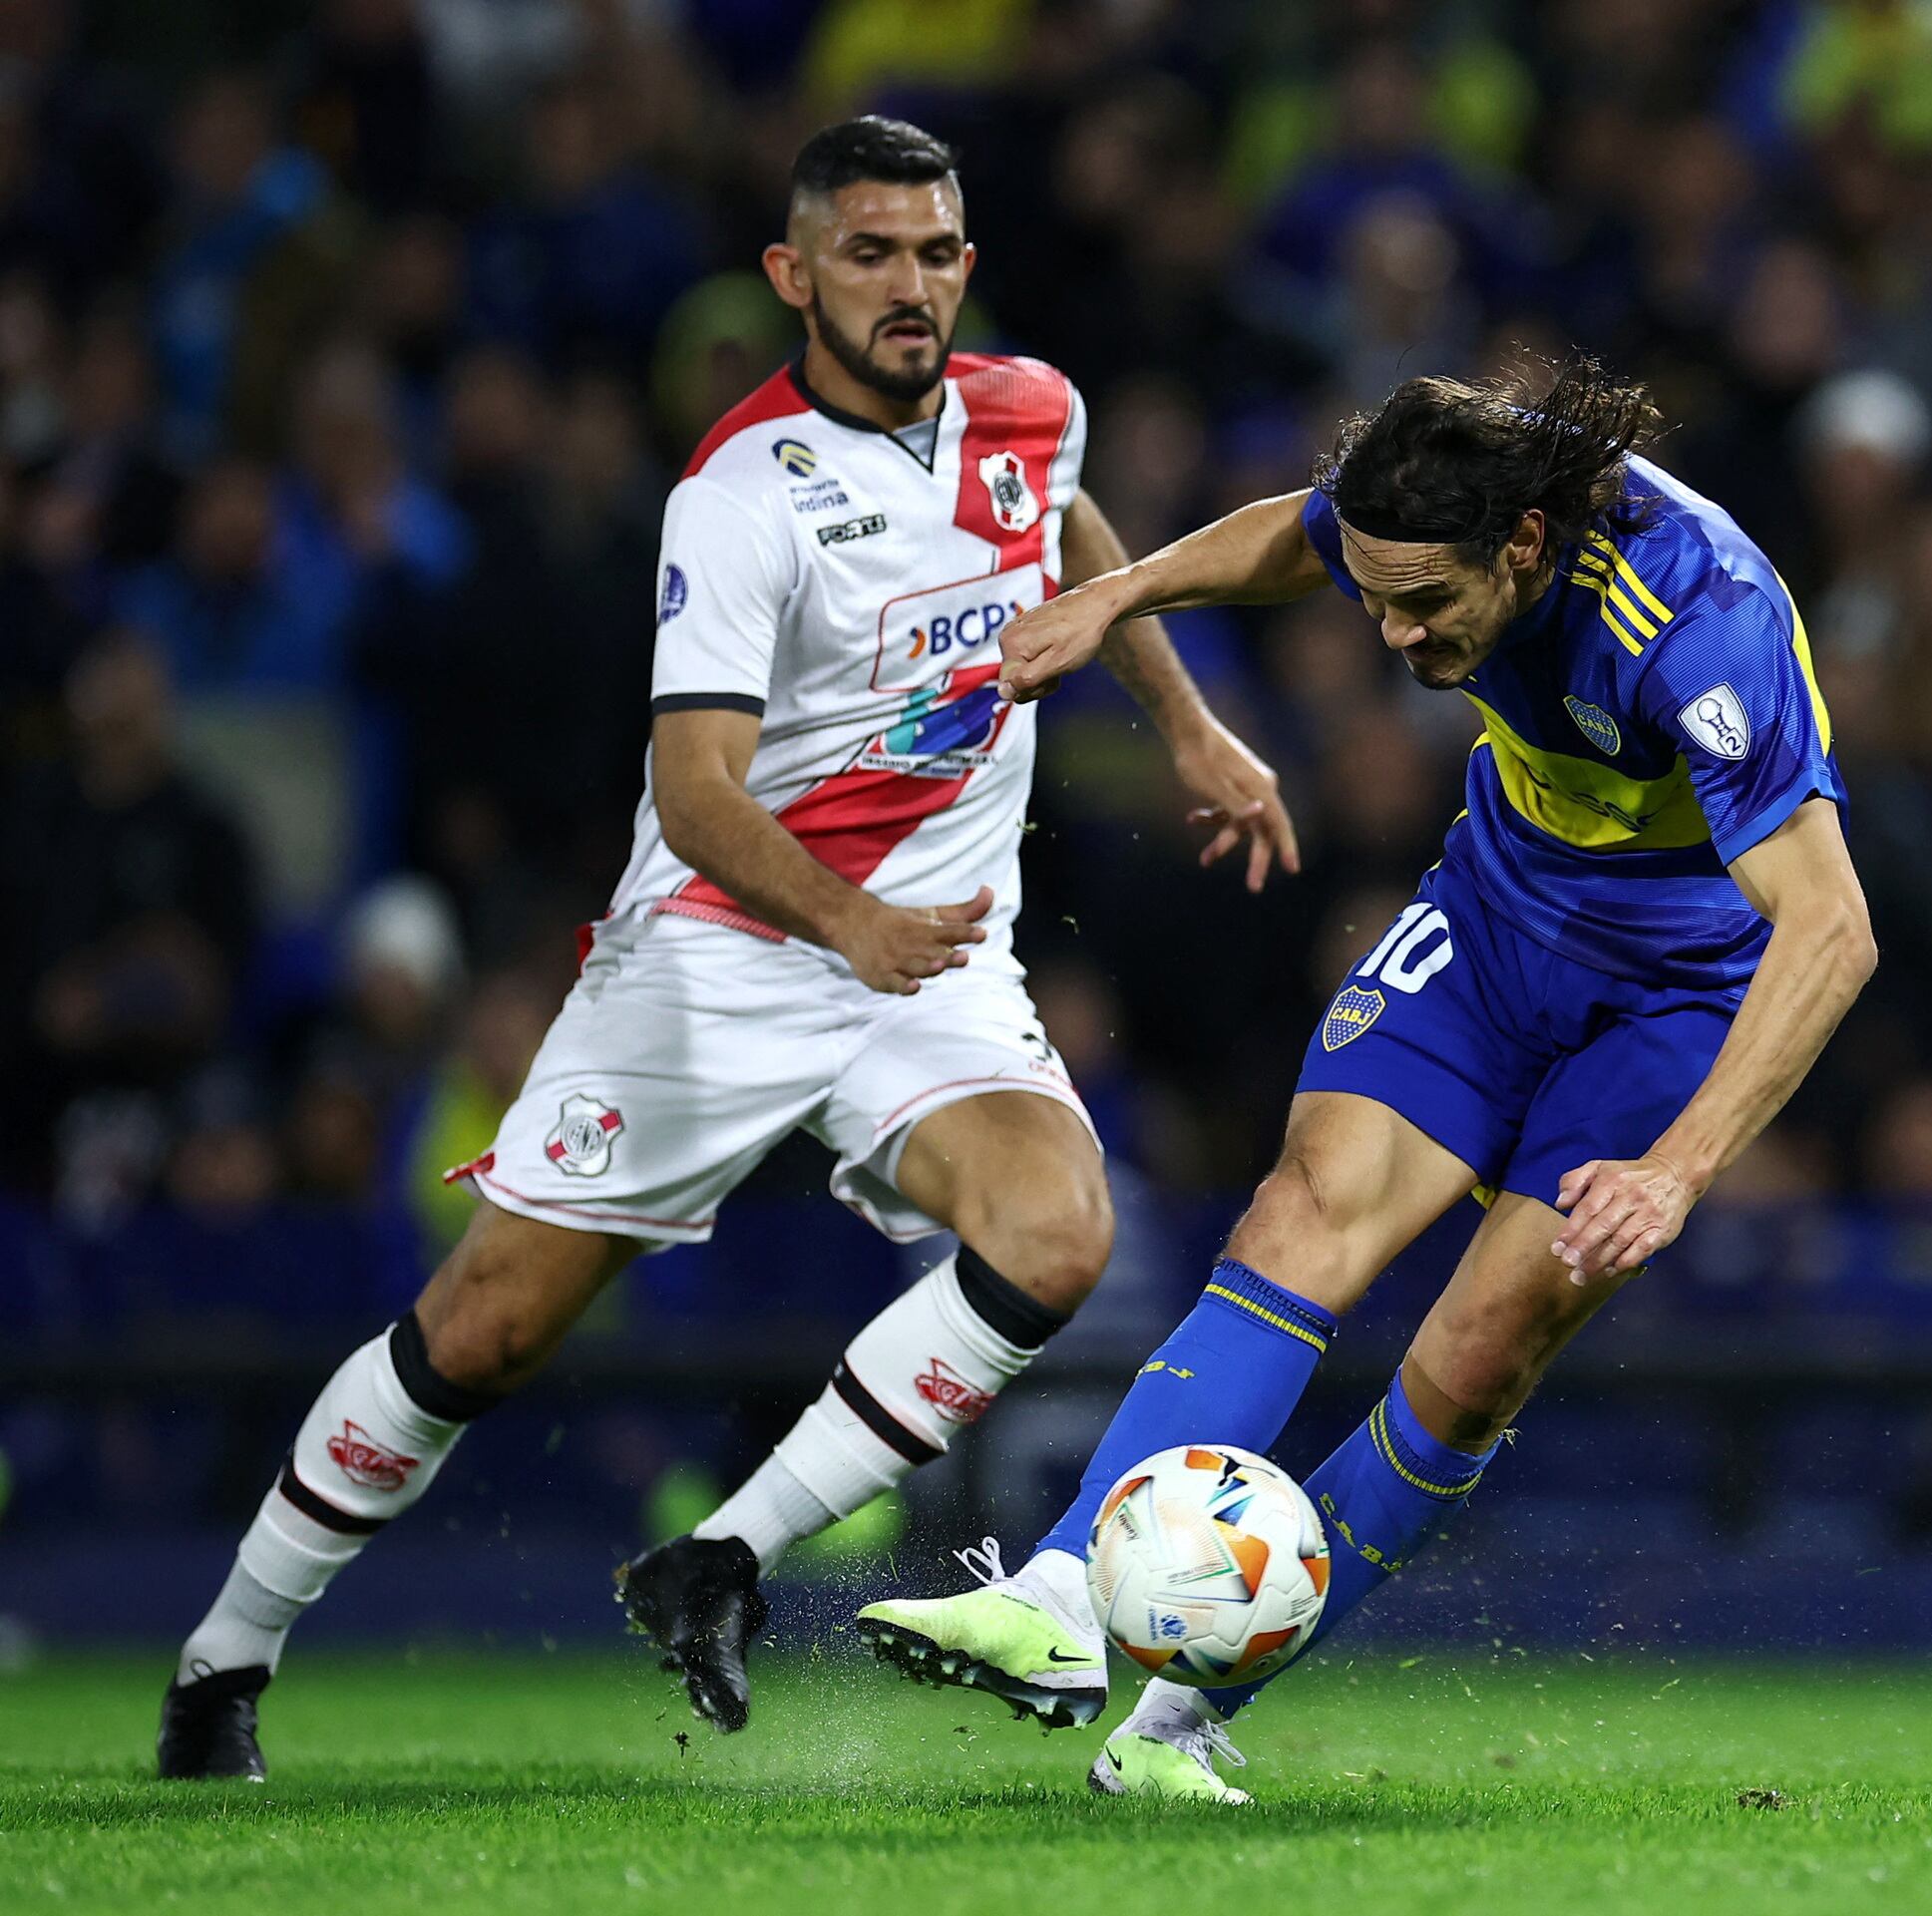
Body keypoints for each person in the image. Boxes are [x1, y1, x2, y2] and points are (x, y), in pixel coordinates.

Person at [154, 118, 1297, 1781]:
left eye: (933, 253)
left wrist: (1183, 718)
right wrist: (848, 921)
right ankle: (222, 1658)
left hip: (931, 956)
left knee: (1054, 1229)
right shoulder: (743, 489)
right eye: (868, 253)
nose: (909, 287)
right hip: (723, 951)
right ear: (793, 274)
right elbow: (693, 795)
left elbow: (1066, 524)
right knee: (484, 1329)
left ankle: (719, 1560)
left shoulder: (1026, 407)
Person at [857, 361, 1874, 1800]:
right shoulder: (1440, 492)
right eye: (1377, 600)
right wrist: (1115, 596)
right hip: (1494, 917)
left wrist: (1680, 1164)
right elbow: (1298, 528)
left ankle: (1183, 1723)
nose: (1392, 633)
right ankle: (1061, 1601)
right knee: (1303, 1207)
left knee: (1472, 1358)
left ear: (1523, 546)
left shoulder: (1702, 624)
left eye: (1423, 607)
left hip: (1676, 994)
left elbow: (1831, 925)